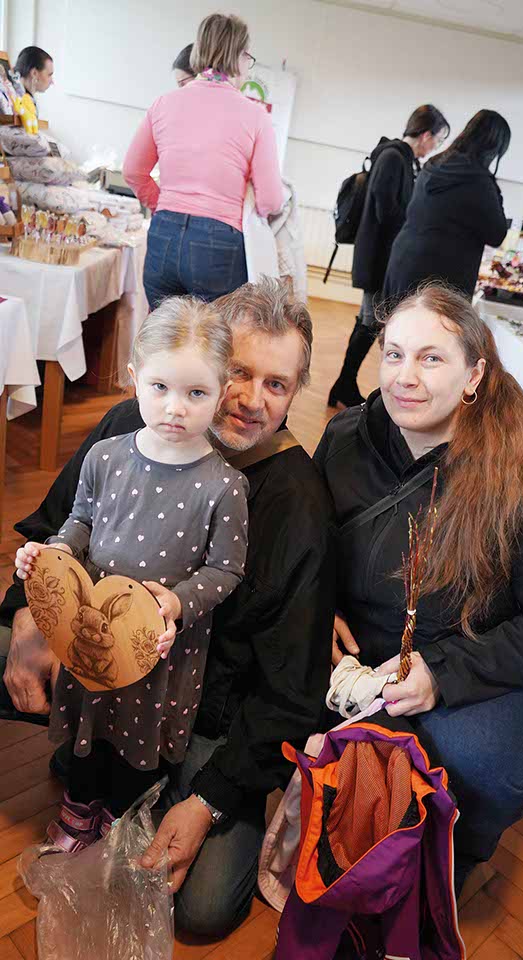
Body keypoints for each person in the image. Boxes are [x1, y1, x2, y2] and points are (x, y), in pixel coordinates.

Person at [0, 278, 334, 937]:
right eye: (239, 373)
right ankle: (89, 775)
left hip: (199, 706)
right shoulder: (136, 422)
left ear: (297, 392)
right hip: (91, 648)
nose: (250, 400)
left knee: (203, 909)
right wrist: (29, 618)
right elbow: (56, 526)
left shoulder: (297, 506)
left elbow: (290, 694)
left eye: (276, 384)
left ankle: (137, 790)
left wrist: (210, 800)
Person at [314, 283, 523, 895]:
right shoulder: (345, 439)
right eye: (394, 354)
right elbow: (312, 547)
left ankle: (456, 853)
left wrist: (442, 673)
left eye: (431, 358)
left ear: (474, 375)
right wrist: (320, 610)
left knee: (476, 760)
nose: (405, 377)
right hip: (371, 650)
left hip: (481, 657)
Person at [14, 299, 248, 848]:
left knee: (139, 740)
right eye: (160, 387)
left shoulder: (224, 486)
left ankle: (121, 825)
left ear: (221, 393)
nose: (175, 408)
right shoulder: (105, 456)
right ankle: (78, 809)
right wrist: (53, 555)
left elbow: (226, 569)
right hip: (92, 630)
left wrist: (179, 601)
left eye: (196, 393)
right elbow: (80, 522)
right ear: (134, 377)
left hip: (159, 647)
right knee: (89, 727)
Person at [123, 13, 283, 308]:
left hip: (163, 233)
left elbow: (133, 171)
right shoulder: (255, 115)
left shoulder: (164, 103)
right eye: (247, 57)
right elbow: (271, 200)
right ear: (238, 56)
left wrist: (163, 205)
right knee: (215, 335)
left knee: (163, 333)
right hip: (220, 244)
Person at [328, 104, 450, 409]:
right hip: (379, 258)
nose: (435, 147)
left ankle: (343, 384)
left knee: (369, 323)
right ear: (425, 135)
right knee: (369, 323)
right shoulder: (394, 157)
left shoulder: (401, 159)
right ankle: (343, 384)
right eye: (437, 139)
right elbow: (387, 210)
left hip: (382, 257)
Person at [383, 110, 510, 303]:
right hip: (440, 276)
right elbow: (497, 234)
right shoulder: (479, 181)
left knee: (395, 319)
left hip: (404, 258)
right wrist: (494, 185)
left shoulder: (434, 163)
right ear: (494, 148)